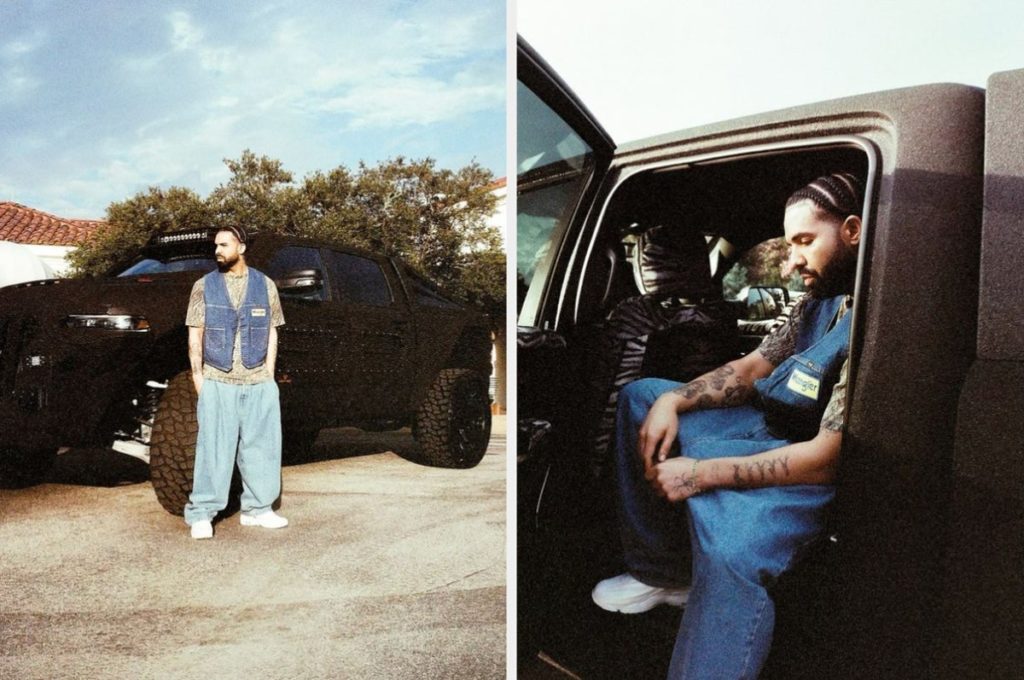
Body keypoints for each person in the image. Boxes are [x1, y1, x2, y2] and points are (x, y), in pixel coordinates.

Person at [591, 173, 863, 679]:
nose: (793, 260)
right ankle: (664, 574)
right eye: (789, 244)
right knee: (641, 396)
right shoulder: (821, 298)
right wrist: (673, 397)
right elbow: (755, 367)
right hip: (773, 424)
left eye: (805, 241)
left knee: (733, 548)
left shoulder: (879, 320)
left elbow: (826, 461)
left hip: (810, 462)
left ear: (852, 231)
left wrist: (701, 473)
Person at [183, 225, 288, 540]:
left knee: (263, 448)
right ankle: (202, 514)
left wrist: (269, 374)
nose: (218, 250)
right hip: (218, 379)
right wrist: (198, 376)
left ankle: (258, 509)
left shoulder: (265, 285)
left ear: (241, 247)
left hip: (258, 380)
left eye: (224, 244)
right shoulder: (203, 286)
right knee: (213, 450)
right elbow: (194, 333)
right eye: (215, 245)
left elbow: (272, 330)